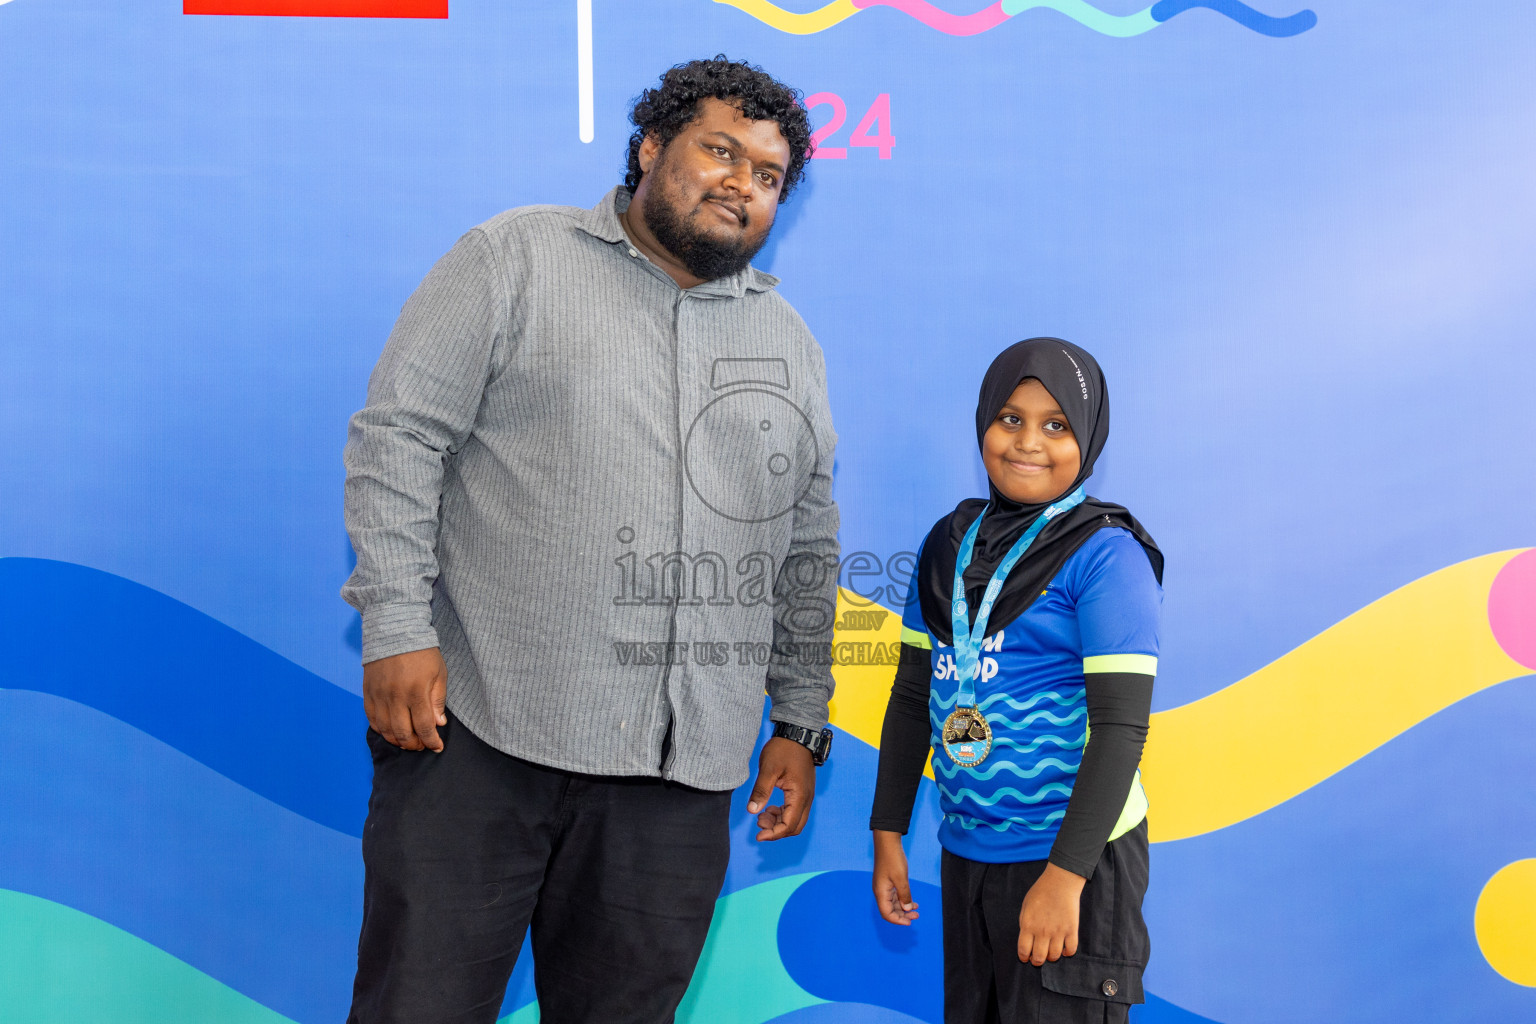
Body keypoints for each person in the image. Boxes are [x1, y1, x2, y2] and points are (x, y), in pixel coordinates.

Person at [340, 57, 839, 1024]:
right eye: (720, 151)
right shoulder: (512, 259)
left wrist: (800, 720)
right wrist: (397, 626)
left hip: (677, 779)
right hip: (480, 739)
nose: (742, 183)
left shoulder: (790, 344)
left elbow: (806, 544)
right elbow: (400, 436)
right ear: (650, 149)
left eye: (770, 175)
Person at [869, 338, 1163, 1024]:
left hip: (1072, 857)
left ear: (1087, 439)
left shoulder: (1107, 554)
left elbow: (1121, 728)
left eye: (1056, 425)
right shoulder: (948, 544)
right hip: (967, 849)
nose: (1029, 441)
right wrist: (888, 831)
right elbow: (914, 697)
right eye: (1010, 418)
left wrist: (1065, 878)